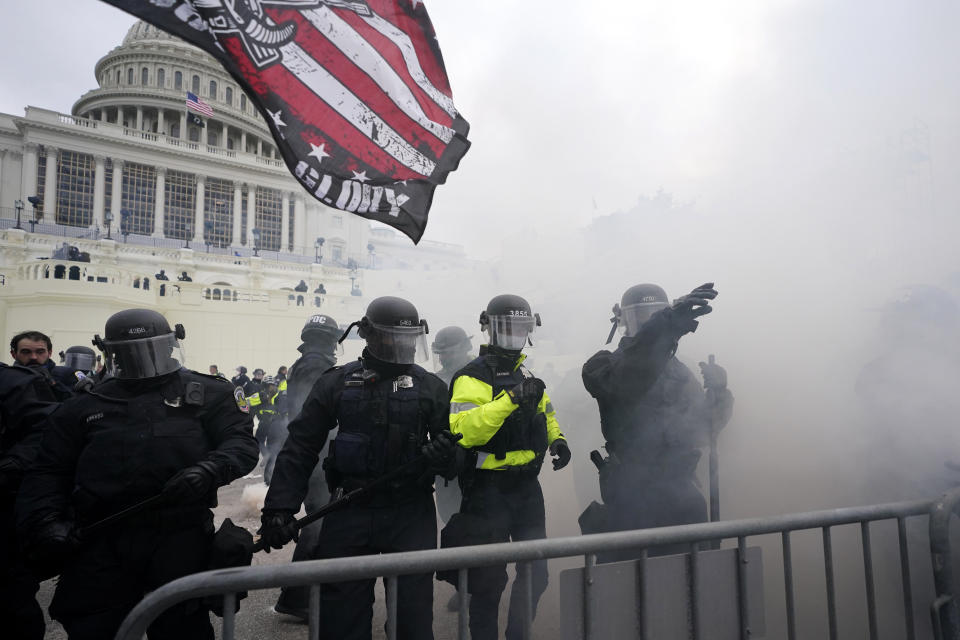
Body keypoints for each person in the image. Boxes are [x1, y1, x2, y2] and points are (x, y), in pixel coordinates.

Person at [15, 308, 259, 640]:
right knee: (93, 626)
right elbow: (48, 470)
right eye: (131, 354)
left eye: (152, 351)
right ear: (111, 353)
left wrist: (209, 470)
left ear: (171, 346)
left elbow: (241, 444)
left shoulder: (208, 393)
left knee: (182, 626)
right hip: (102, 537)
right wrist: (46, 521)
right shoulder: (84, 404)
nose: (144, 361)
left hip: (178, 534)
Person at [259, 296, 457, 640]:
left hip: (411, 514)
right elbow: (300, 447)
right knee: (341, 620)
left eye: (409, 340)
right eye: (395, 339)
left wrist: (446, 456)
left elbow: (457, 457)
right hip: (349, 510)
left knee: (412, 619)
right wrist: (278, 508)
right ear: (369, 335)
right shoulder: (335, 382)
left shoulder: (431, 387)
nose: (404, 347)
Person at [446, 294, 570, 640]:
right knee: (487, 582)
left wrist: (557, 439)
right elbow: (465, 431)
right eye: (506, 327)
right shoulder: (471, 377)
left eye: (521, 328)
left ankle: (518, 635)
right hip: (488, 491)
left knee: (537, 572)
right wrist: (509, 400)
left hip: (527, 491)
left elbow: (546, 415)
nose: (514, 335)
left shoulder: (528, 375)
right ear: (488, 329)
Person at [580, 283, 734, 560]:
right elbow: (632, 375)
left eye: (656, 314)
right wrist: (665, 324)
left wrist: (720, 395)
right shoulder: (602, 366)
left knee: (693, 581)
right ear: (623, 321)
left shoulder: (680, 373)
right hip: (631, 496)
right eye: (642, 316)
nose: (649, 322)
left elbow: (704, 429)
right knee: (630, 588)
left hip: (680, 494)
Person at [274, 313, 342, 619]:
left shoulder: (307, 362)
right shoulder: (317, 365)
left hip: (315, 455)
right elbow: (318, 413)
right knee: (318, 525)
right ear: (330, 338)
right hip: (319, 457)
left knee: (320, 522)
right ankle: (297, 598)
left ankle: (301, 595)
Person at [0, 362, 60, 640]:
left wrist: (11, 464)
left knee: (12, 598)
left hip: (5, 507)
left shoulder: (14, 382)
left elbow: (49, 431)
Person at [10, 330, 73, 400]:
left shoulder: (66, 374)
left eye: (40, 352)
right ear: (14, 354)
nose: (33, 357)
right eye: (26, 352)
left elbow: (78, 405)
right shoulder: (6, 377)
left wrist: (53, 383)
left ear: (50, 353)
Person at [247, 376, 287, 484]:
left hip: (267, 424)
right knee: (276, 451)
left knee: (259, 440)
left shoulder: (261, 395)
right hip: (278, 427)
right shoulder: (280, 395)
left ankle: (266, 456)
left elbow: (246, 402)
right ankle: (274, 479)